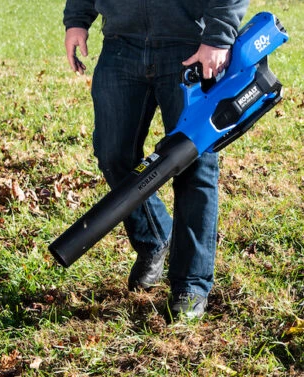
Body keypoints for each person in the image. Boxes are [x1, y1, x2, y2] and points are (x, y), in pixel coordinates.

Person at [63, 0, 249, 320]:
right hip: (120, 46)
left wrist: (218, 37)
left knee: (194, 166)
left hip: (191, 46)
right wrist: (77, 19)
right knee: (113, 155)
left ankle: (191, 283)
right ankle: (155, 238)